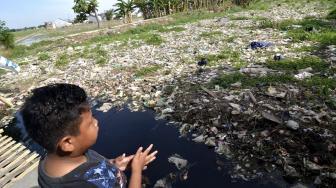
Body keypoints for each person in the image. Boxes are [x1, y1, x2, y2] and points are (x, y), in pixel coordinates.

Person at [21, 83, 158, 188]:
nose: (96, 122)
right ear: (68, 143)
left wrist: (114, 165)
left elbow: (95, 169)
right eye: (90, 122)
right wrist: (136, 171)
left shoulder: (61, 155)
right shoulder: (81, 184)